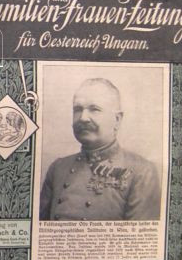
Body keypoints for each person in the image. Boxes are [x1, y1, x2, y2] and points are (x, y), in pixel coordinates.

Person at [39, 78, 161, 221]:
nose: (83, 118)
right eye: (77, 109)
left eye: (94, 109)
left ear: (117, 119)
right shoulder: (58, 168)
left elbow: (139, 234)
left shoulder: (142, 172)